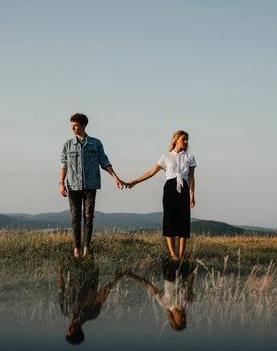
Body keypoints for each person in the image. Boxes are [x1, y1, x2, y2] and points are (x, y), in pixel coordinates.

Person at [60, 113, 125, 257]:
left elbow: (104, 161)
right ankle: (76, 249)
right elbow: (64, 165)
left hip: (90, 186)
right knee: (75, 217)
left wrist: (115, 177)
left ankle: (86, 249)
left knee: (88, 216)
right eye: (72, 126)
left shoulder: (96, 143)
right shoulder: (68, 145)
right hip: (73, 186)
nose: (73, 128)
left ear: (83, 126)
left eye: (76, 125)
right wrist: (61, 182)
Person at [126, 130, 196, 259]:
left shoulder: (190, 157)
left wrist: (192, 196)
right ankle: (173, 254)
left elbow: (191, 178)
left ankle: (181, 255)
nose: (186, 142)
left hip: (184, 188)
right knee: (170, 219)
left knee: (184, 220)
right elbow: (152, 172)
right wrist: (136, 181)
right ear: (176, 140)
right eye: (183, 139)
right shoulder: (166, 156)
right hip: (170, 189)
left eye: (187, 139)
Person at [57, 257, 124, 345]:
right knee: (88, 251)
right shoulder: (92, 314)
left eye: (68, 331)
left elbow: (61, 289)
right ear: (79, 331)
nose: (68, 328)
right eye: (71, 331)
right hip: (90, 275)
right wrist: (114, 279)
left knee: (76, 250)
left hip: (74, 271)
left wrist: (60, 272)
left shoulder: (65, 310)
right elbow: (101, 296)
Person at [124, 259, 196, 331]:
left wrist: (133, 276)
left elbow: (149, 286)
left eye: (181, 321)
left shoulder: (165, 303)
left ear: (173, 319)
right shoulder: (187, 304)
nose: (184, 319)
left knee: (168, 256)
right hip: (183, 274)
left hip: (169, 275)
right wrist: (192, 265)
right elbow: (190, 283)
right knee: (183, 255)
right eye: (185, 321)